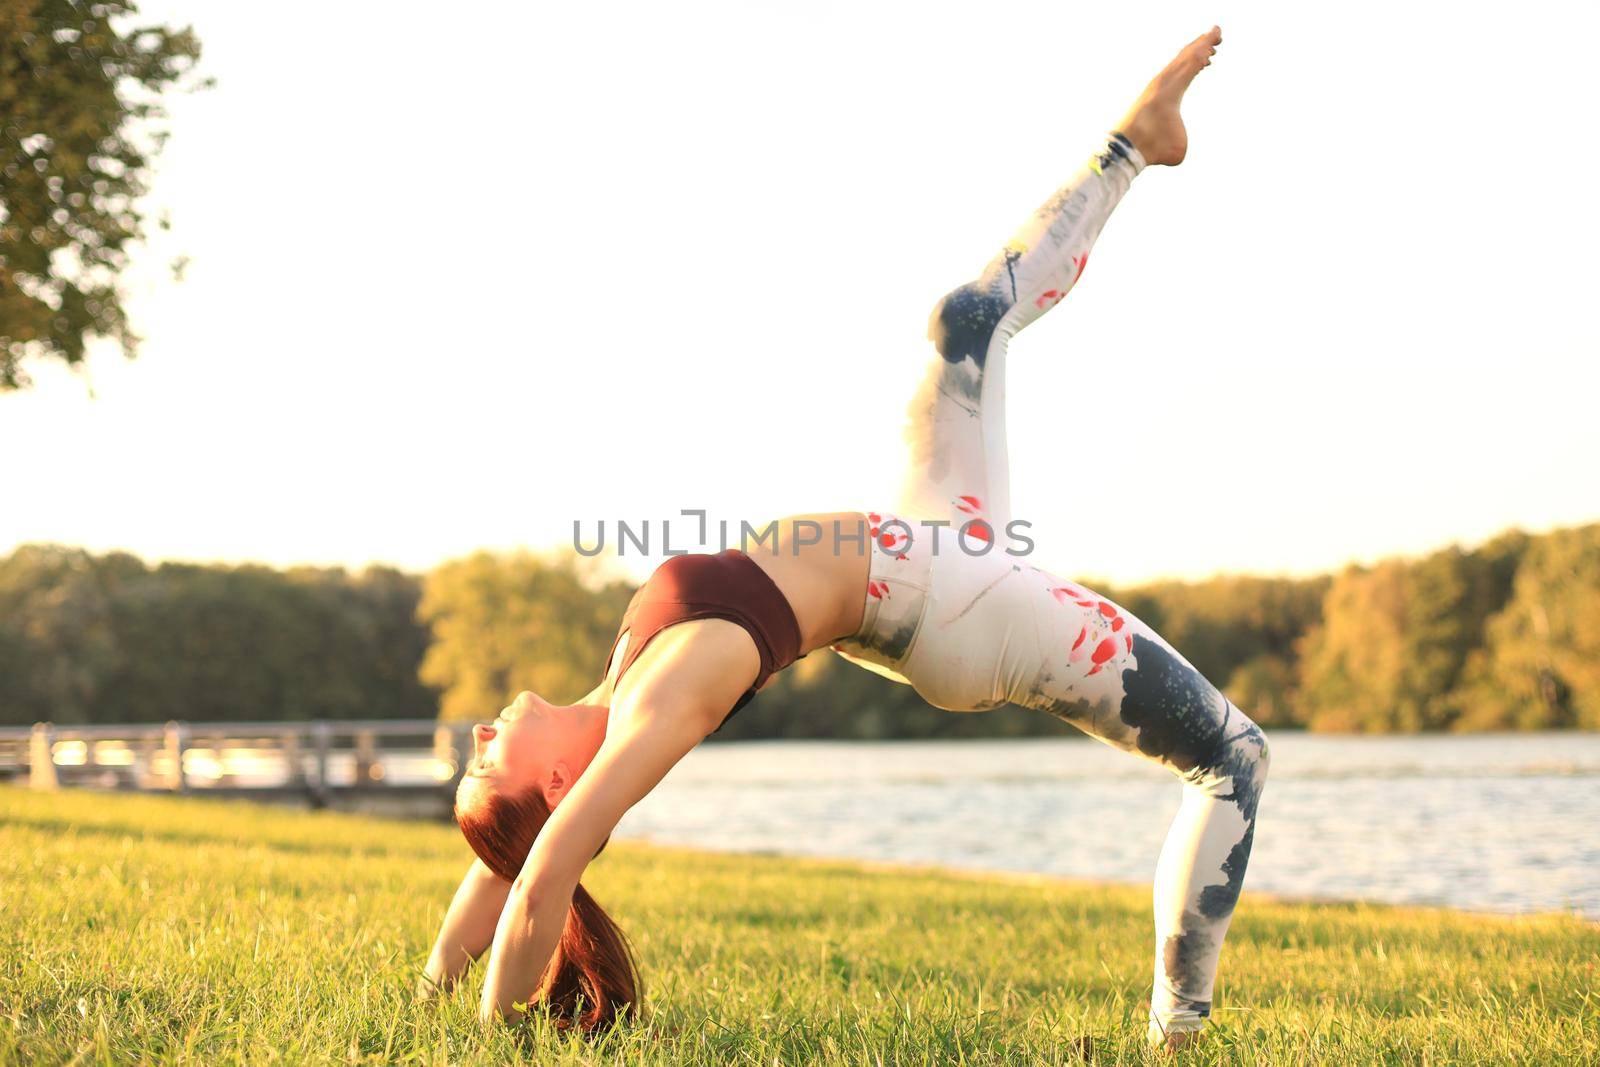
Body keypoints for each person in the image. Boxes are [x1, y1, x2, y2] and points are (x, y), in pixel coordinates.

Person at [419, 26, 1267, 1052]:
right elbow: (544, 871)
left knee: (964, 319)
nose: (475, 735)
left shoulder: (615, 690)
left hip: (928, 535)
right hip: (962, 607)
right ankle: (1181, 1036)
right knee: (1231, 755)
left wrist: (430, 992)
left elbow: (506, 866)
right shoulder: (653, 709)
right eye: (488, 763)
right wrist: (479, 1031)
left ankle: (1137, 139)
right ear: (554, 786)